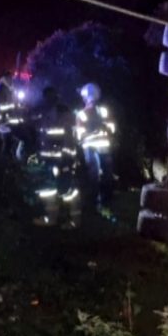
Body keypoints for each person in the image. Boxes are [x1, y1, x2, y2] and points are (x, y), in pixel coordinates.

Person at [33, 87, 81, 227]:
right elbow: (43, 137)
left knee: (67, 191)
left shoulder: (62, 113)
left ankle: (73, 221)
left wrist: (66, 159)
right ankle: (52, 219)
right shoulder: (48, 113)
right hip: (51, 159)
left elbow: (68, 138)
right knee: (49, 190)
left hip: (61, 159)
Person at [75, 82, 116, 210]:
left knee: (102, 175)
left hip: (97, 147)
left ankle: (101, 200)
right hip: (96, 147)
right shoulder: (84, 114)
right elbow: (80, 136)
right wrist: (96, 130)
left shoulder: (97, 112)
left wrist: (105, 128)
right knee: (98, 174)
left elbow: (112, 128)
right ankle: (99, 201)